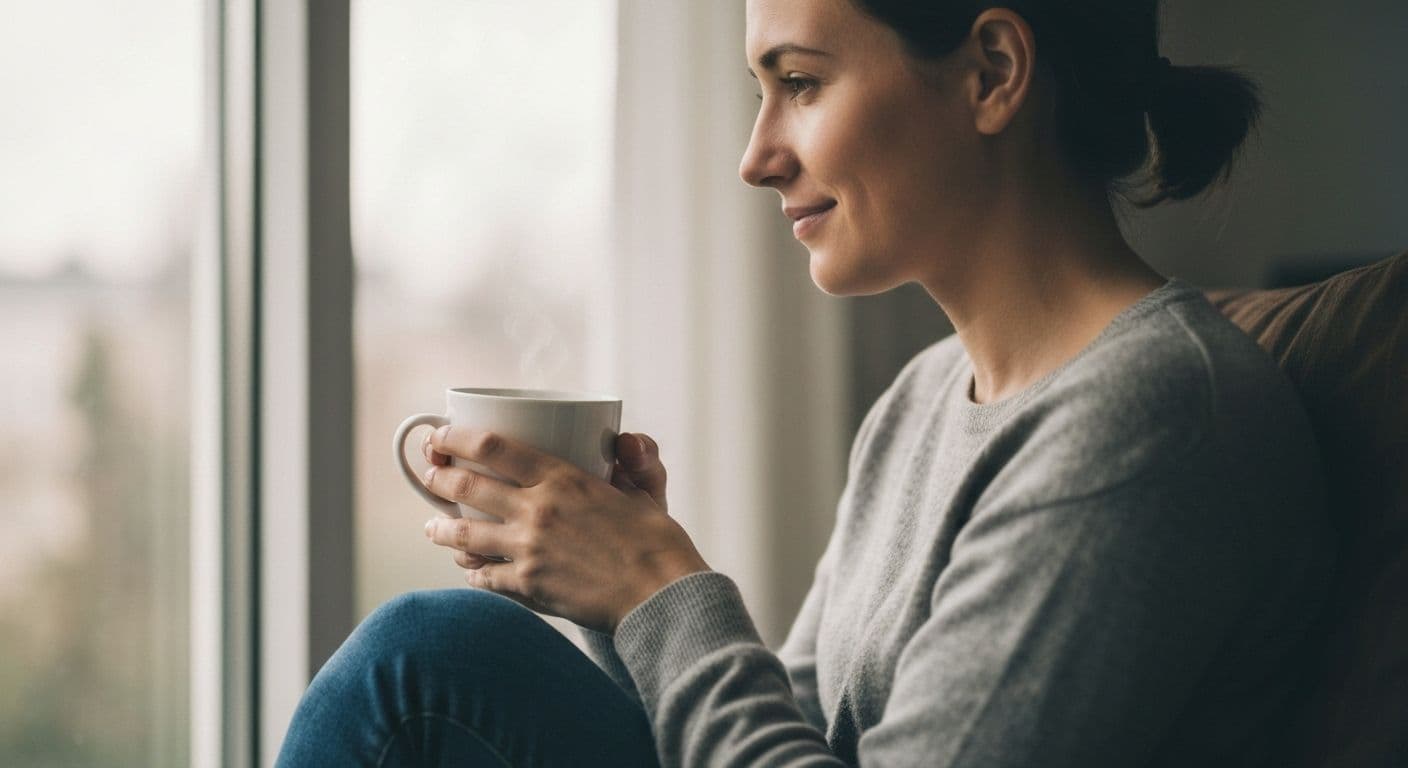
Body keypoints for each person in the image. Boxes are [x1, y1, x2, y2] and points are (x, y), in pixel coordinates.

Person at [276, 0, 1333, 765]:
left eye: (800, 82)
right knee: (448, 649)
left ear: (991, 74)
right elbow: (804, 734)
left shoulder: (1151, 413)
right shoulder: (925, 398)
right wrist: (612, 583)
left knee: (426, 660)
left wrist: (660, 592)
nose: (755, 154)